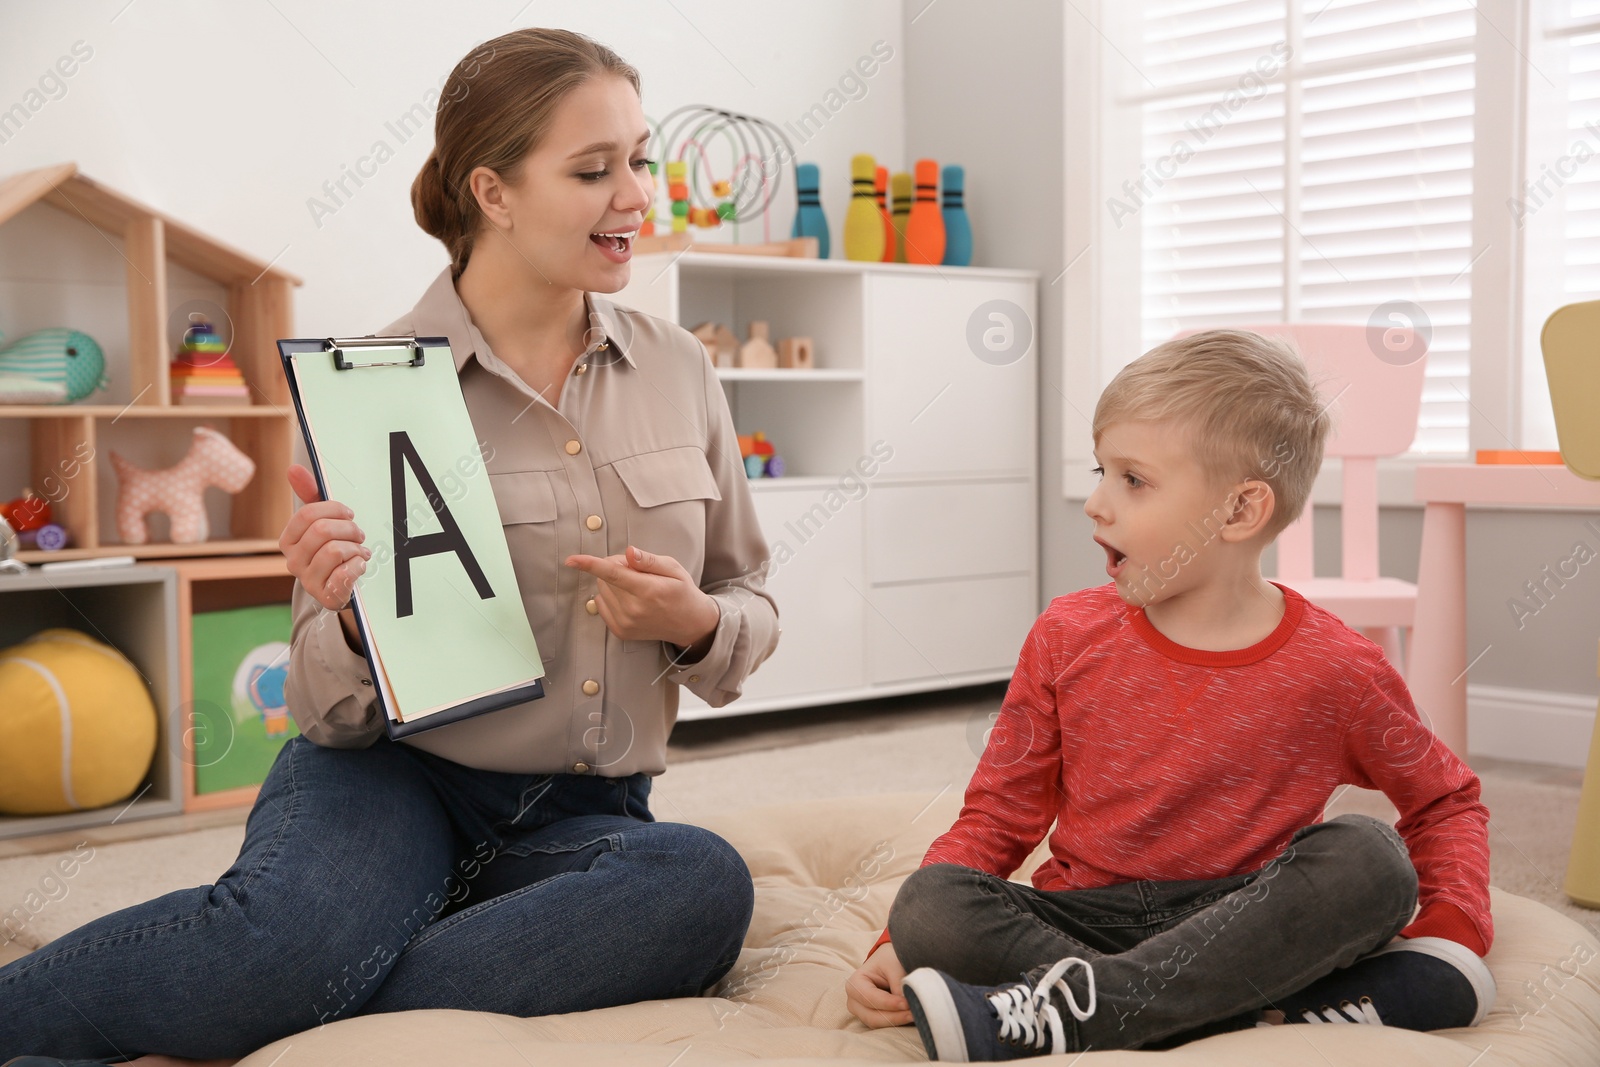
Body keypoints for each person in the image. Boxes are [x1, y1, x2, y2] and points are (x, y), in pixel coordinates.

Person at [0, 27, 776, 1067]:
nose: (637, 193)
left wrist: (697, 623)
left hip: (585, 812)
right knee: (286, 942)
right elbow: (324, 706)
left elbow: (749, 595)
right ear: (491, 192)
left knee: (700, 885)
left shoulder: (680, 368)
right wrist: (352, 620)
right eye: (595, 169)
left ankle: (277, 1014)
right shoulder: (373, 383)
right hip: (391, 779)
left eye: (639, 158)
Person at [843, 330, 1494, 1059]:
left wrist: (1452, 924)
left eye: (1133, 479)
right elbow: (998, 809)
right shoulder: (1067, 633)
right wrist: (897, 940)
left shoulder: (1337, 667)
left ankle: (1076, 1011)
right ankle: (1229, 1009)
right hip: (1083, 916)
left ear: (1240, 511)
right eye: (1100, 471)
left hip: (1246, 918)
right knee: (932, 903)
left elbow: (1445, 800)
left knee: (1371, 859)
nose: (1095, 503)